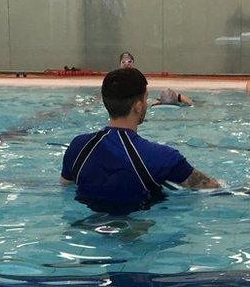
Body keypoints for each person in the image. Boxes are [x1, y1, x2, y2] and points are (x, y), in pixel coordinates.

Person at [61, 68, 218, 213]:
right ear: (137, 106)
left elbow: (65, 187)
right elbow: (212, 188)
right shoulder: (162, 157)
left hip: (88, 225)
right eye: (146, 98)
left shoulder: (78, 147)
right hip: (140, 229)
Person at [119, 51, 193, 106]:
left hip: (137, 103)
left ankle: (178, 98)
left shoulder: (138, 78)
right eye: (124, 62)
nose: (127, 64)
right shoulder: (115, 79)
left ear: (133, 63)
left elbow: (144, 94)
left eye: (129, 62)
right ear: (120, 64)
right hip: (130, 104)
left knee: (167, 98)